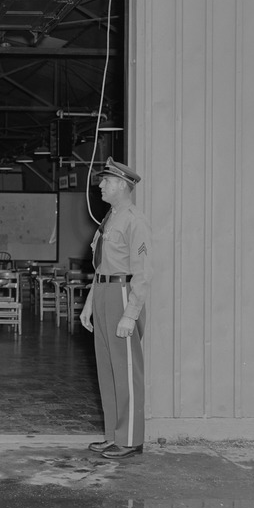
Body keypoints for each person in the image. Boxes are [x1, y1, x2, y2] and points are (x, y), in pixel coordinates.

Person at [79, 157, 153, 459]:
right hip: (103, 292)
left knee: (126, 371)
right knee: (108, 370)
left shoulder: (134, 220)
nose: (100, 185)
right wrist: (88, 305)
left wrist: (130, 314)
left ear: (122, 185)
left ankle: (131, 439)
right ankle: (113, 435)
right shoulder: (111, 218)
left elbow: (144, 273)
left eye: (106, 181)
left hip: (123, 294)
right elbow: (101, 267)